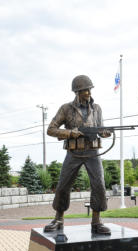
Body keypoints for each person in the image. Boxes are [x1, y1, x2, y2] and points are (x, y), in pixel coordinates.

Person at [44, 75, 111, 235]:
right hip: (73, 153)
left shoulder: (97, 109)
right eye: (84, 90)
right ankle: (58, 219)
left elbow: (101, 129)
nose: (88, 92)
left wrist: (105, 133)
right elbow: (51, 129)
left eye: (89, 89)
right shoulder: (66, 108)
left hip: (93, 153)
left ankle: (96, 221)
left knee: (99, 186)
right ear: (77, 92)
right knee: (63, 185)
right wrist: (70, 133)